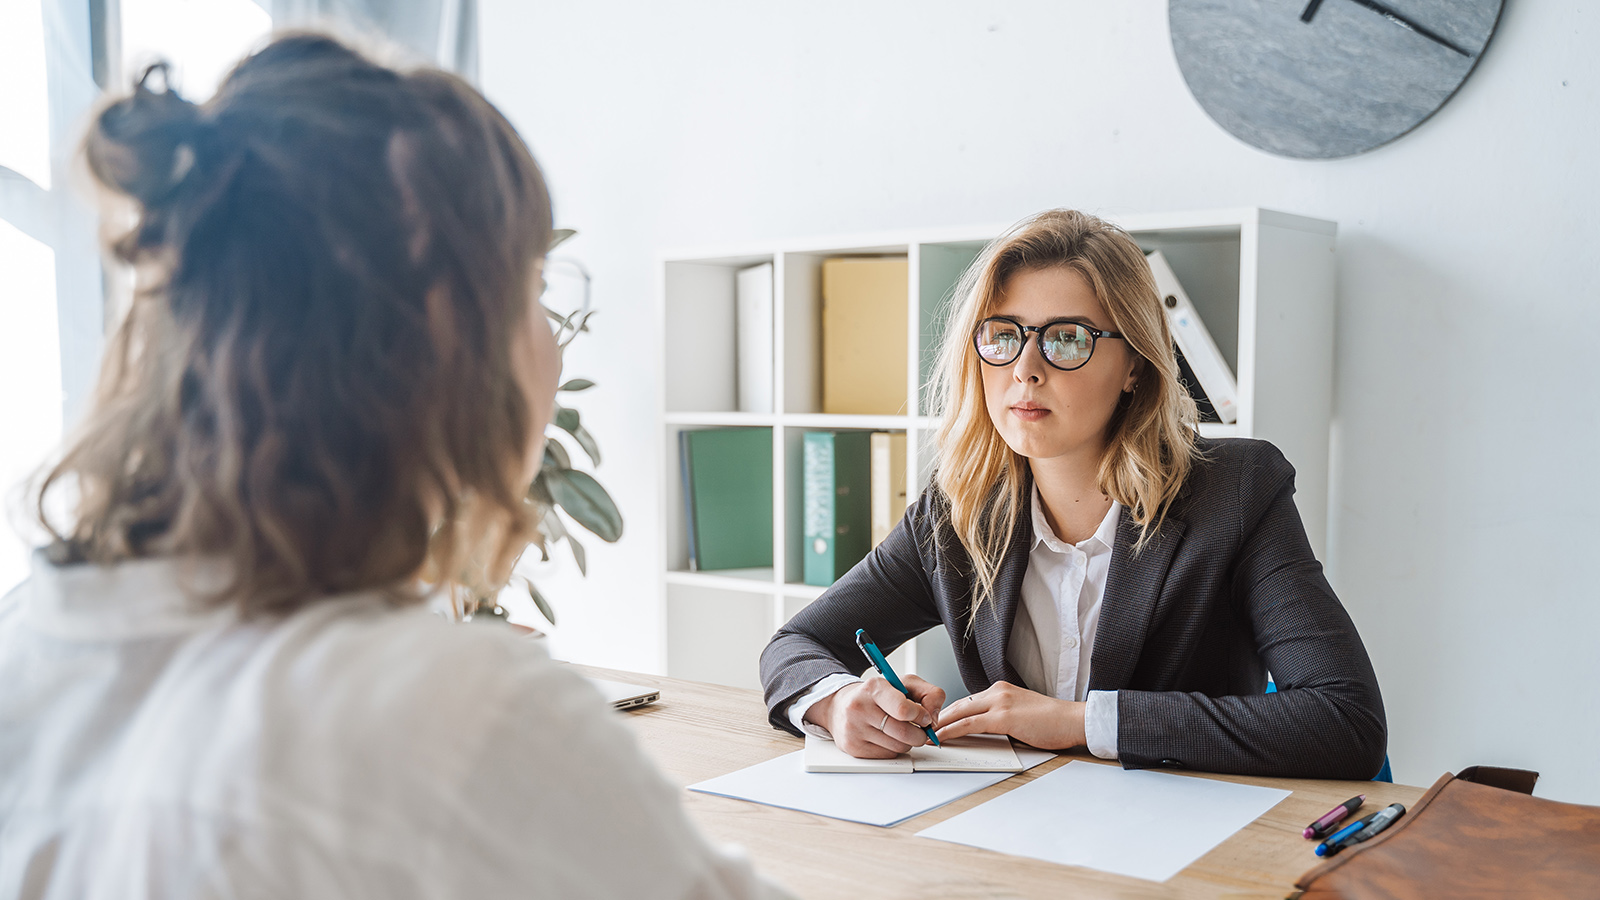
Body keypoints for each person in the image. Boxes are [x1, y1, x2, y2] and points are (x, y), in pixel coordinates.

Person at [0, 33, 791, 899]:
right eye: (530, 289)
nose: (551, 347)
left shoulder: (29, 637)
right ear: (446, 333)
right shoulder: (457, 717)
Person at [760, 209, 1386, 780]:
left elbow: (1344, 721)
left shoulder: (1237, 493)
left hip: (1185, 843)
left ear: (1136, 364)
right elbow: (797, 646)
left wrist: (1078, 722)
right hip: (1022, 832)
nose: (1025, 369)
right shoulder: (955, 514)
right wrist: (840, 703)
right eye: (1003, 335)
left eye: (1066, 339)